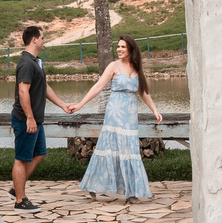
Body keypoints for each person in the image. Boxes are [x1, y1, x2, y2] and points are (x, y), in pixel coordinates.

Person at [68, 35, 162, 203]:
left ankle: (130, 192)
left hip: (130, 115)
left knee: (130, 151)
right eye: (118, 46)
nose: (119, 49)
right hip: (115, 113)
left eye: (123, 47)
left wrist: (155, 110)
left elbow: (144, 92)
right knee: (108, 148)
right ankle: (94, 185)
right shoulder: (113, 66)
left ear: (131, 49)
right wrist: (81, 104)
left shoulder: (137, 67)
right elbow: (98, 86)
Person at [11, 25, 71, 212]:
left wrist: (62, 104)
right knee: (21, 159)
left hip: (36, 119)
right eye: (43, 38)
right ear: (34, 40)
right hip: (25, 119)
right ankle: (20, 200)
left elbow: (44, 87)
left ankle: (16, 187)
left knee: (40, 153)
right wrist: (29, 118)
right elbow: (23, 91)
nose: (45, 41)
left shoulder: (36, 62)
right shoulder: (27, 63)